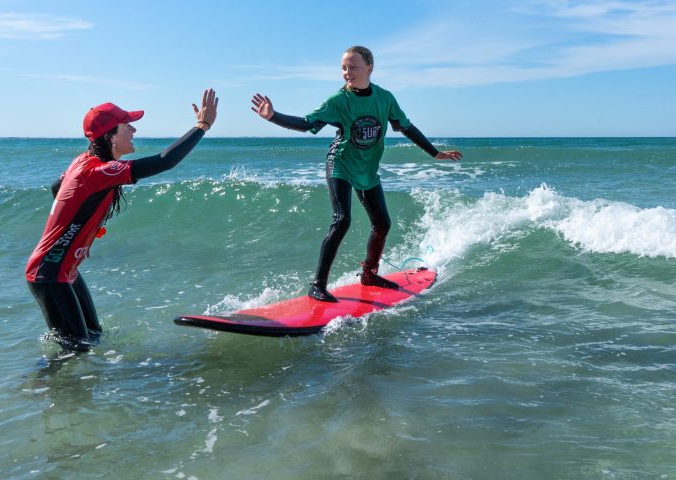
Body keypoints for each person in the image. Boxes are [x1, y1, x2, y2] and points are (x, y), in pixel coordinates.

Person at [251, 46, 462, 303]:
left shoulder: (385, 98)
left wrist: (434, 153)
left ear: (369, 68)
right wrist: (273, 116)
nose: (346, 73)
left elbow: (406, 127)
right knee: (342, 219)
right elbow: (308, 124)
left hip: (367, 169)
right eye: (343, 68)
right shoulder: (339, 101)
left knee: (382, 223)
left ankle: (369, 275)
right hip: (340, 164)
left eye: (352, 67)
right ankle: (318, 285)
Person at [26, 89, 218, 351]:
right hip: (49, 273)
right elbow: (166, 161)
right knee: (75, 351)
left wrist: (80, 232)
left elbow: (56, 187)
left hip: (62, 269)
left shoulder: (84, 162)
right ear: (110, 136)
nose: (134, 130)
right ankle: (37, 386)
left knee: (92, 337)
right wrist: (202, 126)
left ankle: (61, 387)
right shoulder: (98, 170)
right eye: (128, 125)